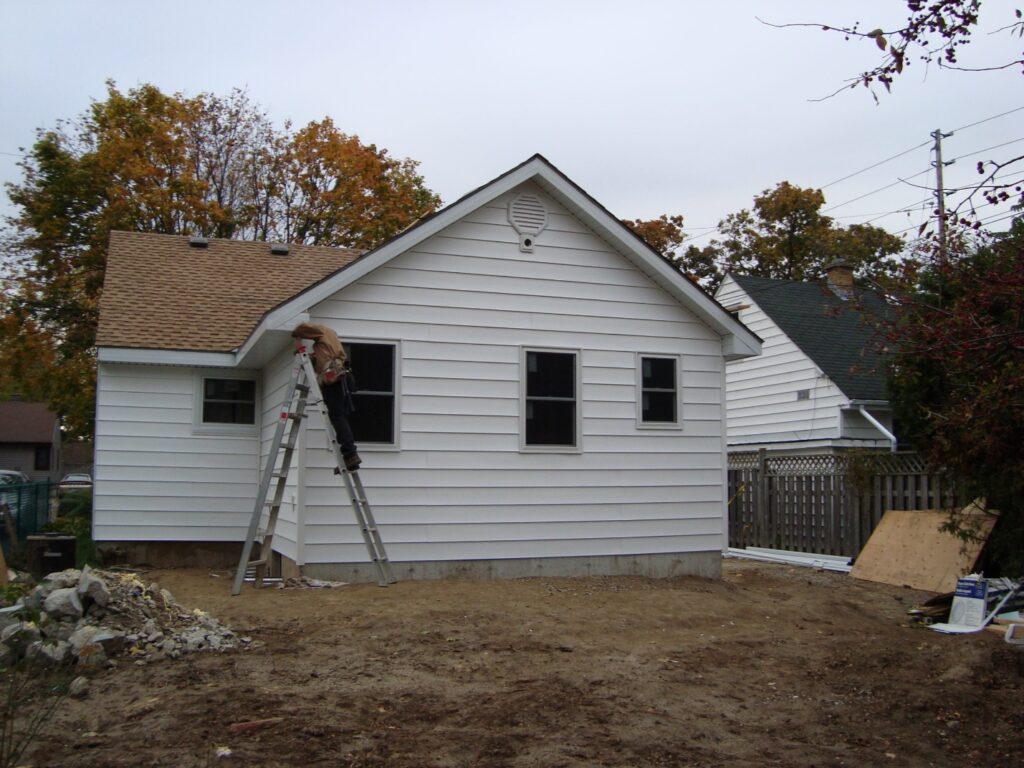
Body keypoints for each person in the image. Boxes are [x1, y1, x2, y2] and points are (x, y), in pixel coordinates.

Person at [291, 322, 361, 472]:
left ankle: (350, 454)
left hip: (334, 378)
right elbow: (321, 362)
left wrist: (296, 337)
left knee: (337, 417)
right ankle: (349, 456)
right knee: (338, 416)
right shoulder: (327, 345)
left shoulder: (323, 331)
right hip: (340, 377)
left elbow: (301, 328)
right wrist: (308, 358)